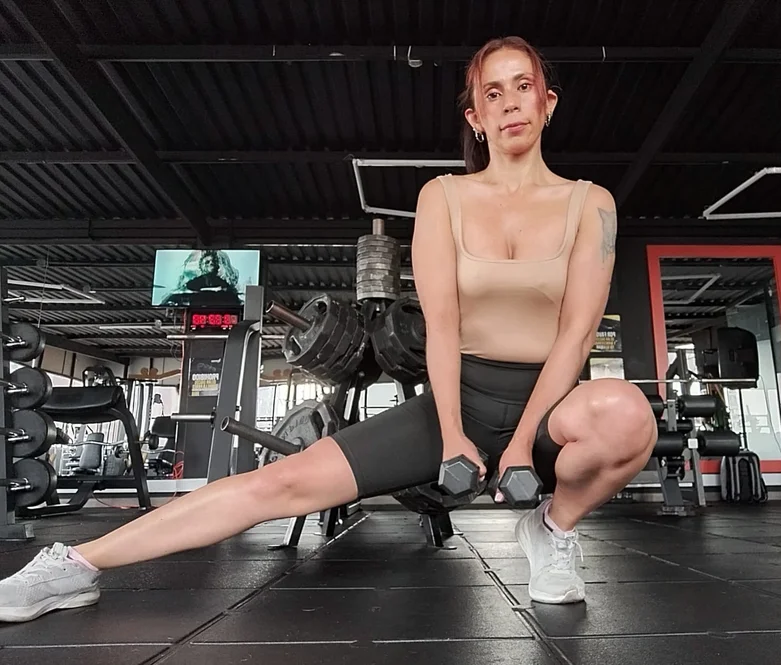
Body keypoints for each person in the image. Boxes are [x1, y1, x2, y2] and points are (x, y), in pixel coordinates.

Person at [0, 36, 657, 623]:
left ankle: (552, 527)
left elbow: (575, 336)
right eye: (493, 92)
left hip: (551, 406)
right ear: (475, 118)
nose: (510, 102)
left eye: (523, 86)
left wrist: (518, 446)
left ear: (547, 102)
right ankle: (73, 564)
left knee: (628, 415)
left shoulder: (589, 204)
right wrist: (455, 434)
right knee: (279, 484)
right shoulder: (444, 198)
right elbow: (442, 326)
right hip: (458, 400)